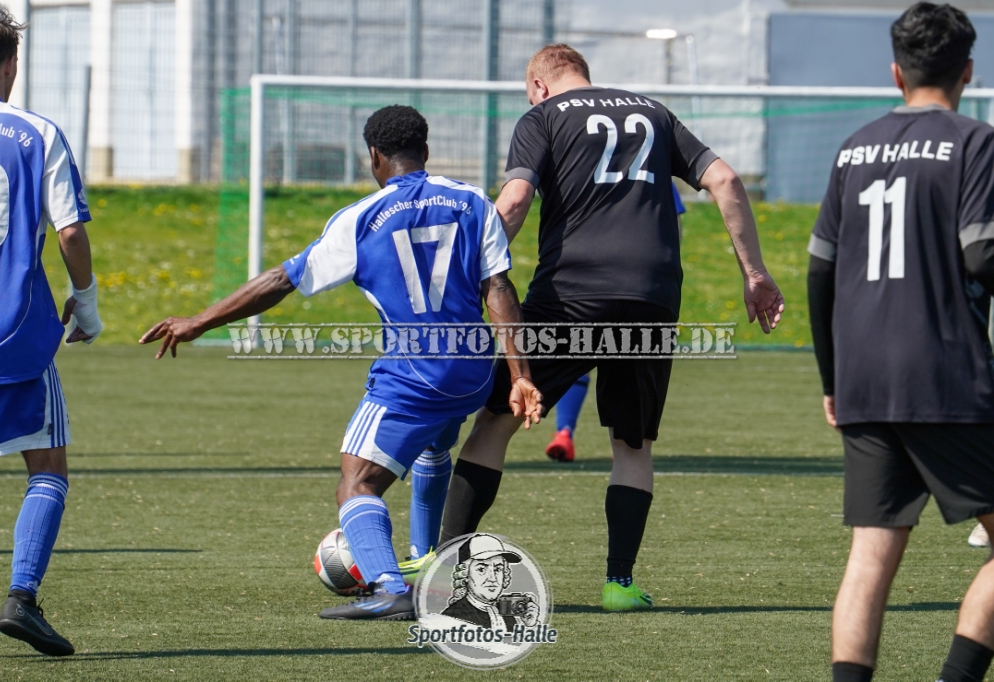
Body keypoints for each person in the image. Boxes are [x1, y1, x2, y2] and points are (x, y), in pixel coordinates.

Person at [140, 105, 543, 621]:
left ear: (374, 156)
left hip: (415, 374)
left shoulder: (360, 219)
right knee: (434, 441)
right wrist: (520, 376)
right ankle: (424, 556)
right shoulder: (473, 202)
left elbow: (282, 280)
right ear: (426, 150)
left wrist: (199, 320)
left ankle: (390, 587)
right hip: (472, 370)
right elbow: (500, 288)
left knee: (357, 482)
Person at [439, 44, 784, 612]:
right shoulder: (654, 111)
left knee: (497, 420)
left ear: (538, 85)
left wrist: (465, 273)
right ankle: (619, 585)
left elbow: (515, 200)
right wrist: (755, 274)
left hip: (570, 295)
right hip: (651, 297)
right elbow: (724, 179)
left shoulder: (542, 118)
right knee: (632, 444)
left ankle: (445, 567)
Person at [806, 5, 994, 681]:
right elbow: (981, 253)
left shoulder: (854, 147)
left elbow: (820, 271)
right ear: (967, 71)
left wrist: (833, 380)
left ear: (895, 73)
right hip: (944, 372)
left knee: (870, 555)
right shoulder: (975, 143)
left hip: (863, 377)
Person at [0, 7, 100, 657]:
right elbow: (69, 230)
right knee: (47, 468)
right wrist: (87, 301)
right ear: (10, 65)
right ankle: (21, 597)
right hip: (12, 333)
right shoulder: (36, 131)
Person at [544, 184, 687, 463]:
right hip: (639, 286)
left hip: (582, 280)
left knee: (574, 357)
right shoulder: (654, 168)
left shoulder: (580, 167)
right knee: (627, 374)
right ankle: (626, 448)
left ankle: (564, 432)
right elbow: (674, 226)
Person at [442, 534, 539, 630]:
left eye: (498, 569)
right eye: (481, 569)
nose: (492, 578)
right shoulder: (453, 617)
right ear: (465, 574)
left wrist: (530, 625)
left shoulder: (507, 614)